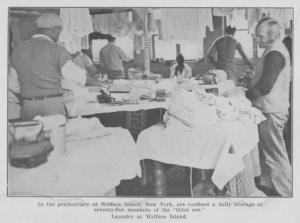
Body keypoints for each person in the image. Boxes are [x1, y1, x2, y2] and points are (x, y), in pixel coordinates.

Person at [10, 12, 110, 121]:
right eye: (60, 31)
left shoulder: (17, 50)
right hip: (51, 105)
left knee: (32, 137)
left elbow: (13, 85)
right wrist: (100, 83)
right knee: (54, 137)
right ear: (55, 30)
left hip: (28, 107)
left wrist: (30, 95)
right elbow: (75, 75)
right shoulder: (57, 49)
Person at [247, 18, 292, 196]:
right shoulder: (274, 48)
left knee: (275, 155)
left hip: (272, 110)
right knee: (273, 153)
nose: (256, 39)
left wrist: (244, 96)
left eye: (260, 36)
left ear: (273, 34)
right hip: (273, 108)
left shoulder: (274, 53)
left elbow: (265, 86)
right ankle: (279, 187)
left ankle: (286, 194)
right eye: (255, 35)